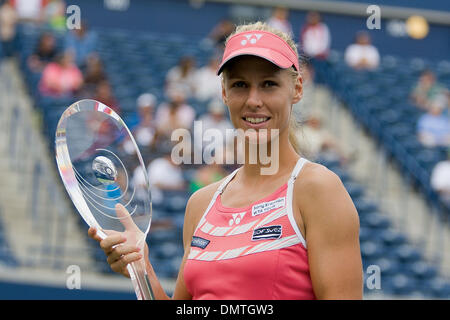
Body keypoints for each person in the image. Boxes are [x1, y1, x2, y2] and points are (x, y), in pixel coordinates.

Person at [88, 21, 363, 300]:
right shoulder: (201, 204)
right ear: (224, 93)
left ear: (297, 89)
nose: (254, 100)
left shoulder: (318, 190)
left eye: (268, 84)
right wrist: (141, 268)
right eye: (240, 85)